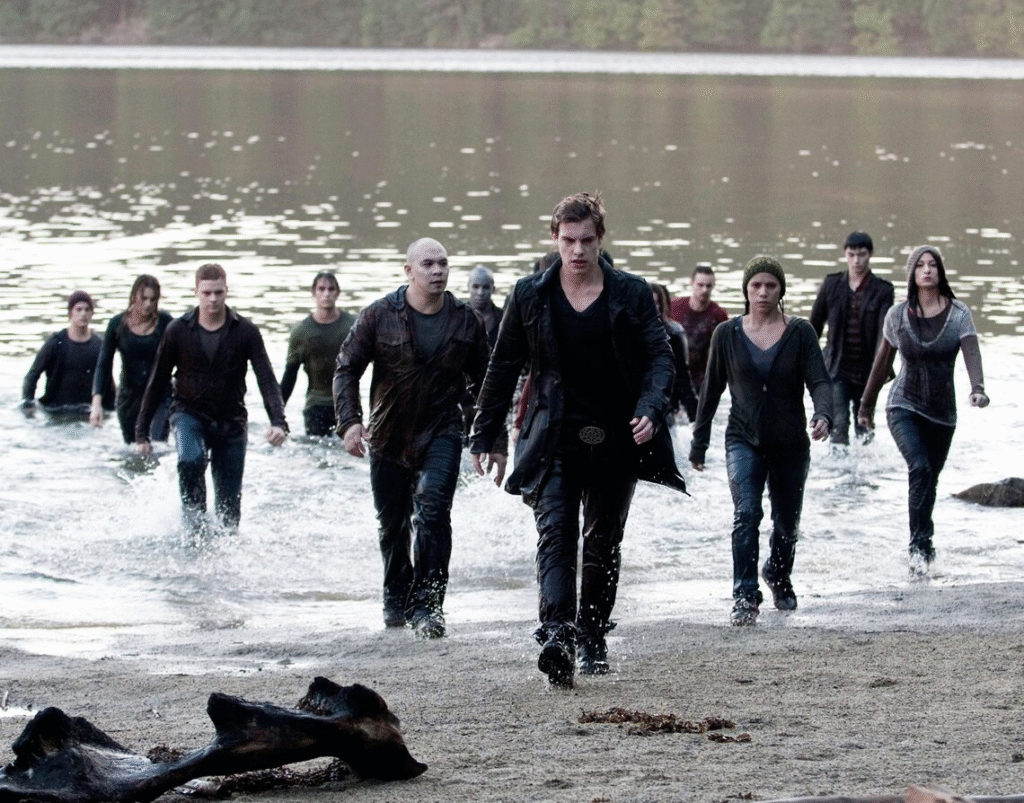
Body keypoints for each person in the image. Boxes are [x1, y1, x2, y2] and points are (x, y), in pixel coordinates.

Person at [470, 193, 686, 687]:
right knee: (557, 534)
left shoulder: (631, 292)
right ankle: (557, 636)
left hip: (616, 435)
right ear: (555, 239)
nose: (578, 250)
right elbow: (503, 367)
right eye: (568, 240)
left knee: (603, 541)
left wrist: (652, 407)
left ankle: (592, 637)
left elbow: (660, 357)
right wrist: (487, 436)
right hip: (553, 434)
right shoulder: (530, 294)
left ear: (601, 238)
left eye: (587, 240)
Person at [334, 238, 504, 638]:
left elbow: (486, 383)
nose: (438, 271)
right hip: (388, 435)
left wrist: (494, 440)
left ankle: (428, 605)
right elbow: (346, 368)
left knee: (433, 511)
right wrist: (350, 422)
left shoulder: (465, 320)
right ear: (408, 271)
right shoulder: (378, 315)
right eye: (428, 264)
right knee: (392, 525)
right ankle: (396, 596)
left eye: (443, 263)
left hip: (442, 431)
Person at [689, 256, 832, 627]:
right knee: (747, 513)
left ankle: (778, 574)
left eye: (771, 285)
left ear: (781, 290)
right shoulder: (727, 334)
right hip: (743, 439)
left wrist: (823, 415)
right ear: (746, 290)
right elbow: (711, 391)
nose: (763, 292)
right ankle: (745, 595)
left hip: (790, 443)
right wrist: (699, 443)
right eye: (756, 285)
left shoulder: (800, 332)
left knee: (786, 523)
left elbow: (819, 381)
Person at [857, 245, 989, 574]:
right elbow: (882, 363)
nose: (927, 270)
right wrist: (866, 407)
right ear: (912, 274)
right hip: (903, 405)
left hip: (943, 413)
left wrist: (978, 389)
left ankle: (924, 544)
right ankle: (918, 547)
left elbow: (972, 352)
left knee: (930, 478)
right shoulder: (898, 315)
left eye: (933, 265)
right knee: (920, 468)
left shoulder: (959, 314)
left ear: (940, 272)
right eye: (920, 265)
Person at [135, 263, 288, 532]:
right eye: (207, 293)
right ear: (196, 292)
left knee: (229, 512)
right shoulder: (177, 330)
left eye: (218, 292)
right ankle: (194, 529)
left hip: (231, 420)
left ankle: (224, 549)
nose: (213, 299)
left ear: (226, 291)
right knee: (190, 460)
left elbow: (266, 378)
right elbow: (157, 380)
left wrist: (278, 422)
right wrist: (141, 433)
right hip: (188, 413)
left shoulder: (246, 331)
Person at [810, 231, 894, 448]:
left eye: (862, 255)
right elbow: (814, 326)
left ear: (871, 254)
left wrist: (881, 368)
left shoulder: (883, 290)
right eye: (852, 255)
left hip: (868, 369)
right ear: (845, 254)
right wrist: (804, 362)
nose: (856, 261)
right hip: (837, 367)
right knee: (838, 423)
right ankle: (839, 467)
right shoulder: (831, 284)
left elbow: (884, 334)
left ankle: (865, 466)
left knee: (864, 425)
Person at [89, 275, 174, 443]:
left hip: (160, 397)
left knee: (156, 445)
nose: (148, 304)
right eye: (144, 298)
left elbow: (184, 358)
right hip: (129, 399)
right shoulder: (117, 324)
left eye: (152, 299)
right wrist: (96, 403)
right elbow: (104, 365)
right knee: (134, 449)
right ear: (134, 296)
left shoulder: (166, 322)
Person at [279, 271, 355, 437]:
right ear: (313, 292)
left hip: (349, 405)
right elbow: (290, 376)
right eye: (321, 289)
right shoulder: (302, 331)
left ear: (338, 293)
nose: (326, 294)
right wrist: (277, 418)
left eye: (331, 289)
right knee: (316, 450)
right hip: (316, 405)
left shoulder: (353, 326)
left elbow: (376, 365)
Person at [23, 290, 114, 412]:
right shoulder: (56, 342)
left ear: (92, 313)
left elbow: (108, 382)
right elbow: (32, 375)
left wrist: (112, 411)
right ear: (70, 313)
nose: (83, 314)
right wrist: (28, 407)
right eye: (78, 309)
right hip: (54, 410)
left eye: (87, 309)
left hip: (86, 411)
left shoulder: (100, 345)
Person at [669, 264, 728, 394]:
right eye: (700, 285)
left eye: (708, 286)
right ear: (691, 283)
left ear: (713, 286)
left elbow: (722, 353)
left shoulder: (719, 315)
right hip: (673, 373)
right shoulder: (674, 307)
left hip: (701, 378)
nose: (704, 290)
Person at [651, 282, 698, 422]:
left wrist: (694, 412)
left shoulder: (673, 335)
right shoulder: (626, 334)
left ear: (661, 306)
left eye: (655, 303)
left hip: (665, 407)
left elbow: (682, 375)